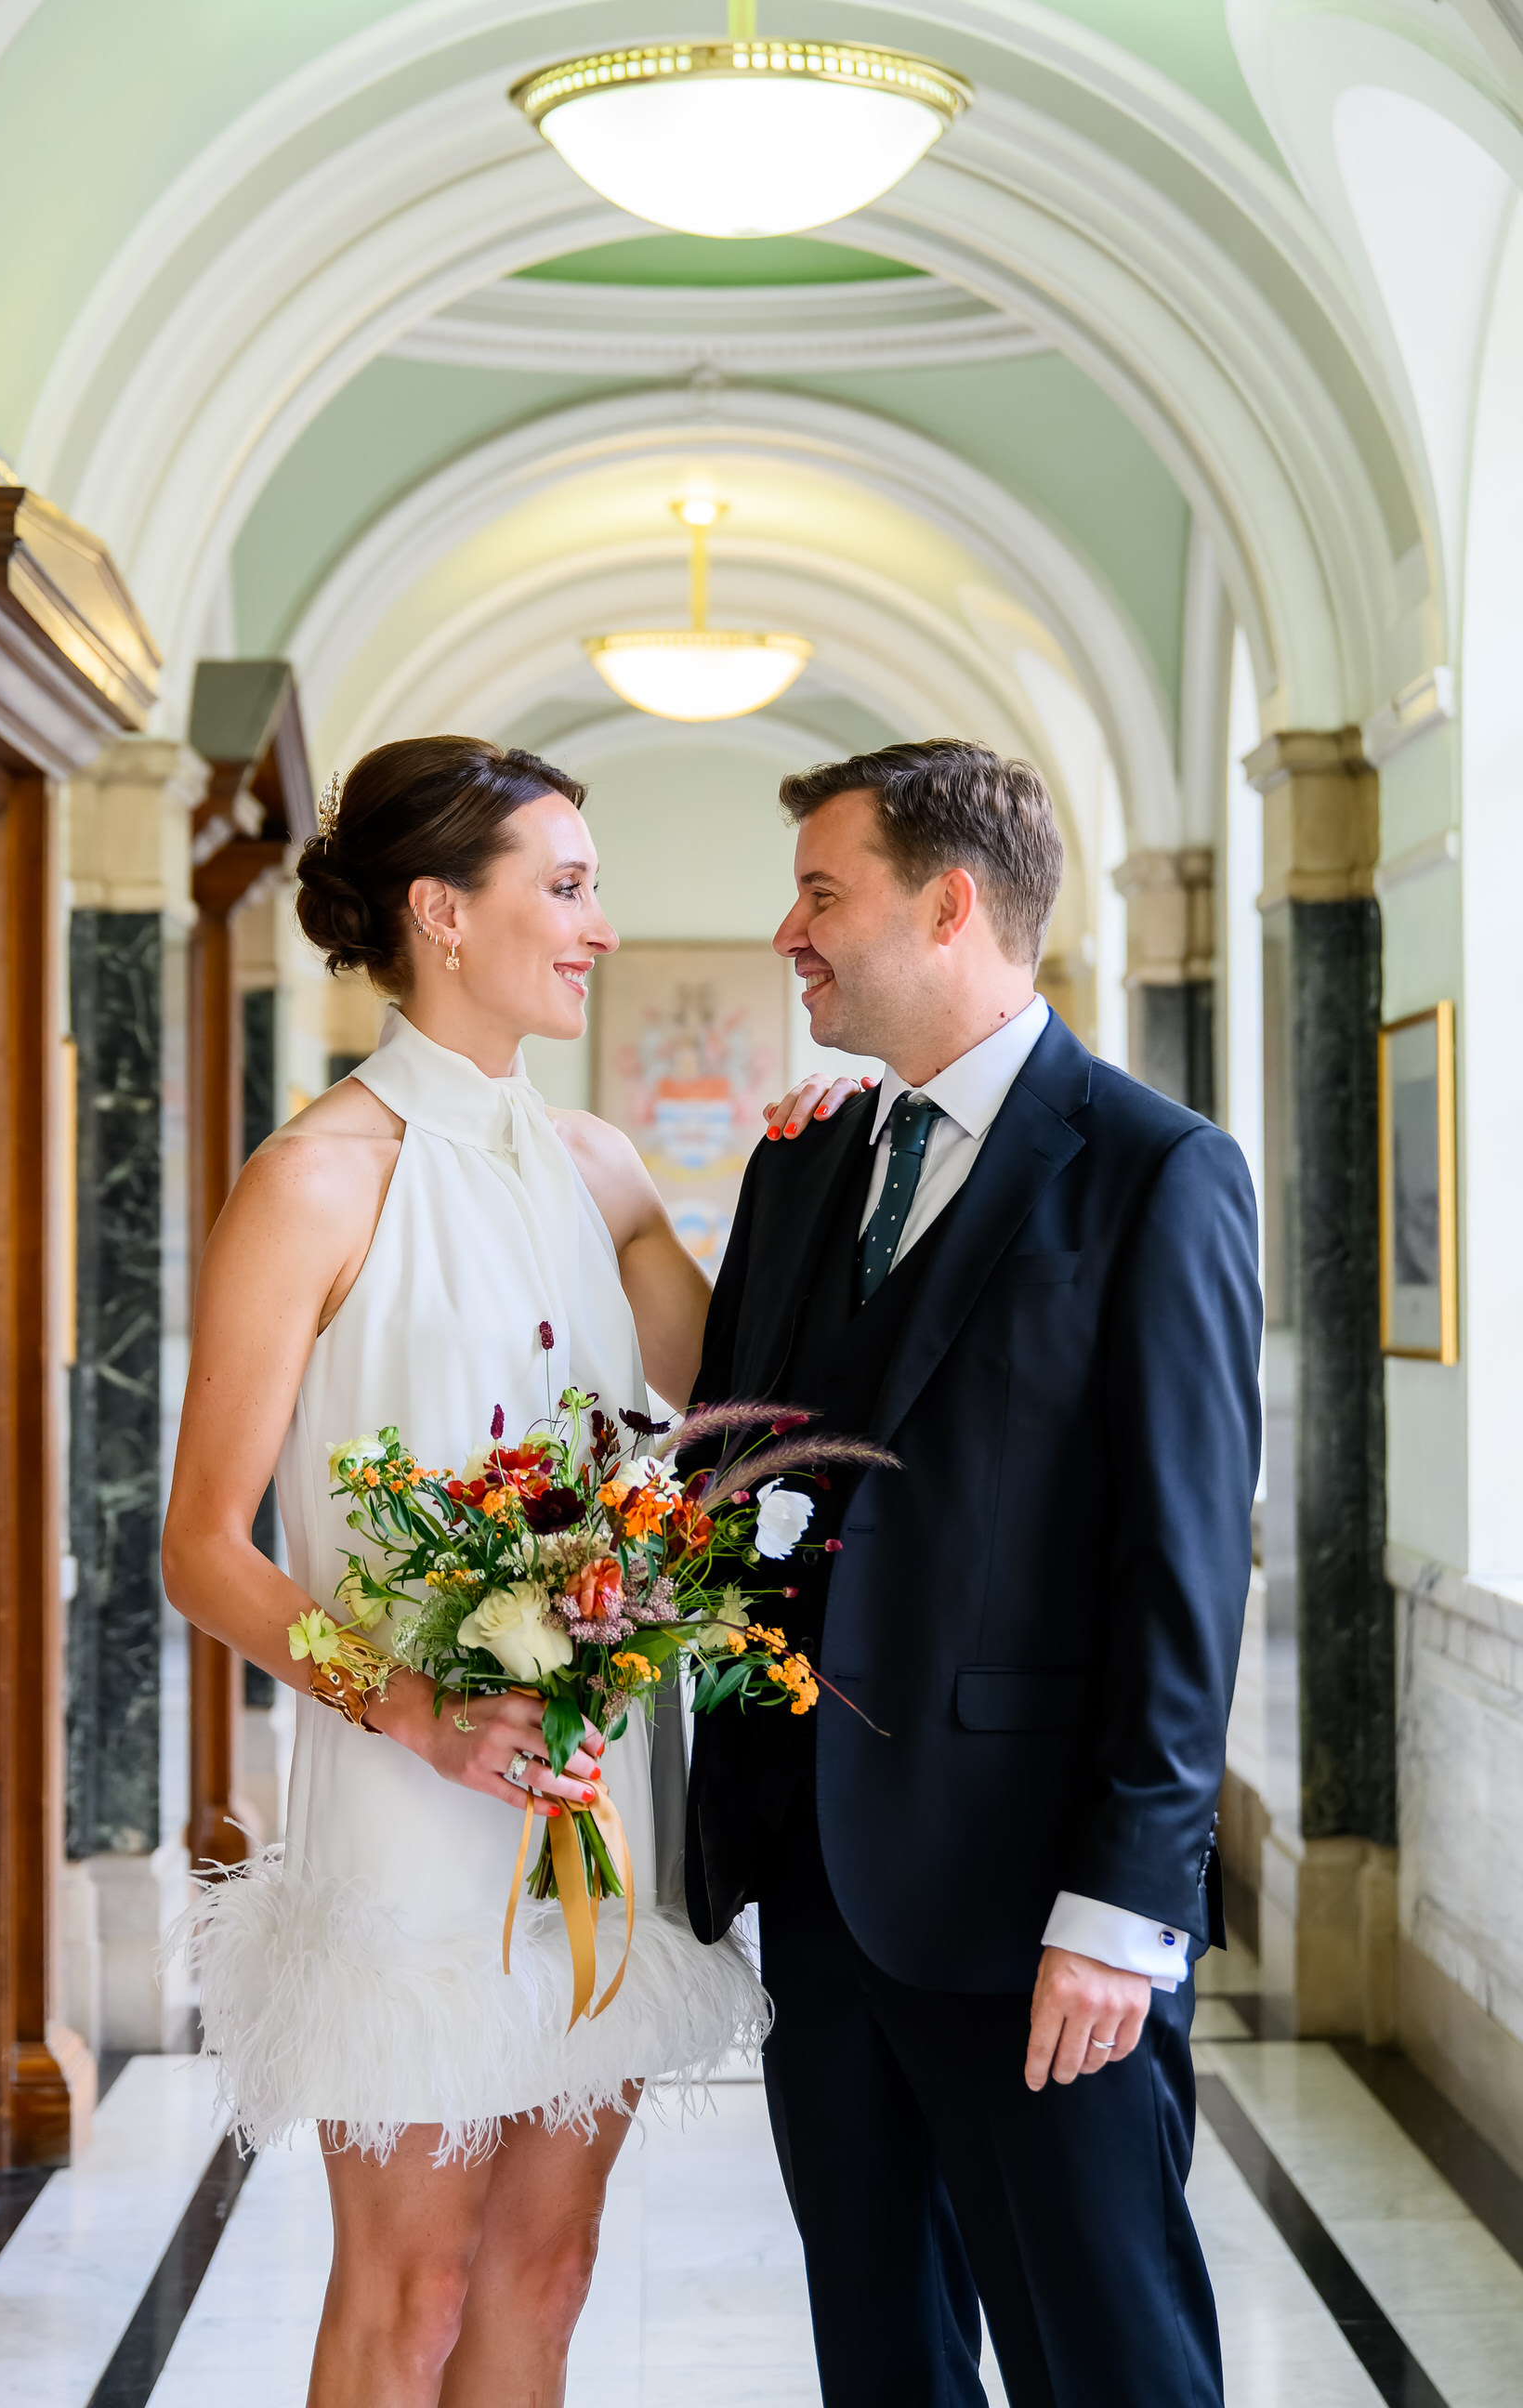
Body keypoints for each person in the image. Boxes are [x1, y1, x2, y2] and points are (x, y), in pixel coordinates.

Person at [161, 735, 858, 2408]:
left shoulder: (603, 1170)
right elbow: (198, 1548)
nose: (599, 924)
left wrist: (821, 1174)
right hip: (410, 1819)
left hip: (603, 1804)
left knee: (546, 2273)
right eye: (566, 886)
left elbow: (738, 1401)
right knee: (409, 2296)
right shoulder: (311, 1179)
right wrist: (411, 1710)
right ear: (438, 915)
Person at [684, 740, 1263, 2408]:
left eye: (820, 892)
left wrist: (1127, 1908)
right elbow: (735, 1471)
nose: (788, 931)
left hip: (1039, 1913)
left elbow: (1182, 1567)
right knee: (882, 2352)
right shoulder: (803, 1166)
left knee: (1109, 2357)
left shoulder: (1153, 1172)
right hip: (817, 1883)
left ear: (948, 907)